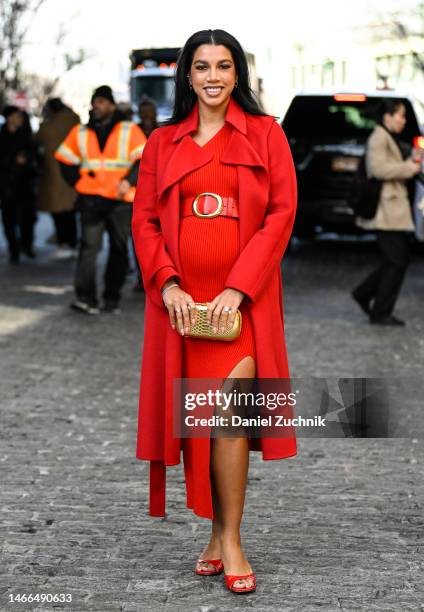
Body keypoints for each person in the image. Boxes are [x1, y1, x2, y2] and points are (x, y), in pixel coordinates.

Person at [132, 29, 298, 593]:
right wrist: (167, 284)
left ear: (238, 74)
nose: (212, 77)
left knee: (228, 420)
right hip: (181, 310)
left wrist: (238, 288)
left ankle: (232, 539)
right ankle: (212, 532)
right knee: (196, 423)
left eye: (223, 66)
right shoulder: (161, 143)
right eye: (201, 66)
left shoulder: (267, 135)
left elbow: (280, 216)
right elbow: (145, 222)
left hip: (241, 308)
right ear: (186, 74)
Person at [54, 85, 147, 314]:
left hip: (121, 199)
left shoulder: (129, 129)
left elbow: (145, 160)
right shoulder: (81, 132)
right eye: (95, 102)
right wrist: (77, 182)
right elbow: (64, 158)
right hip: (91, 199)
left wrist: (130, 181)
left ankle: (111, 297)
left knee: (118, 249)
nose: (97, 106)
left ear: (112, 105)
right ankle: (86, 298)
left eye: (102, 102)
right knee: (88, 249)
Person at [352, 99, 421, 326]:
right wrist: (408, 168)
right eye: (400, 116)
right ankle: (380, 311)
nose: (403, 120)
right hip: (386, 210)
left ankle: (366, 295)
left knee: (396, 259)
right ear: (387, 117)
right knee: (397, 260)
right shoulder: (380, 137)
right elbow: (378, 169)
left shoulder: (389, 137)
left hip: (393, 209)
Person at [36, 98, 80, 258]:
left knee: (59, 213)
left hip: (53, 175)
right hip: (73, 173)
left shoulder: (46, 127)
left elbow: (36, 140)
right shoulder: (74, 122)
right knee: (70, 212)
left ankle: (64, 244)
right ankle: (72, 243)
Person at [0, 106, 38, 263]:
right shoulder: (2, 136)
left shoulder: (26, 136)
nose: (20, 119)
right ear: (9, 118)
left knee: (27, 217)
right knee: (8, 219)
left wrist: (28, 160)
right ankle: (13, 249)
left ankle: (26, 245)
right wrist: (12, 161)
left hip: (25, 183)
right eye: (16, 116)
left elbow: (35, 156)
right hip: (6, 184)